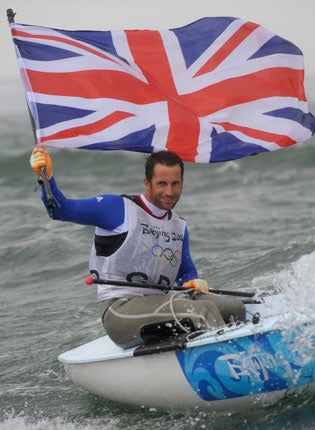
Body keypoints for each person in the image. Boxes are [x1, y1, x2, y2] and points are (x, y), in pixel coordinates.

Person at [30, 147, 246, 348]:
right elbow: (61, 210)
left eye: (175, 184)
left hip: (160, 303)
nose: (169, 191)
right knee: (201, 312)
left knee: (234, 308)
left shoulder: (179, 226)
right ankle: (234, 362)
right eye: (162, 183)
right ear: (147, 182)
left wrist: (192, 282)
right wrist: (46, 178)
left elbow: (185, 274)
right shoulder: (116, 208)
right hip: (120, 310)